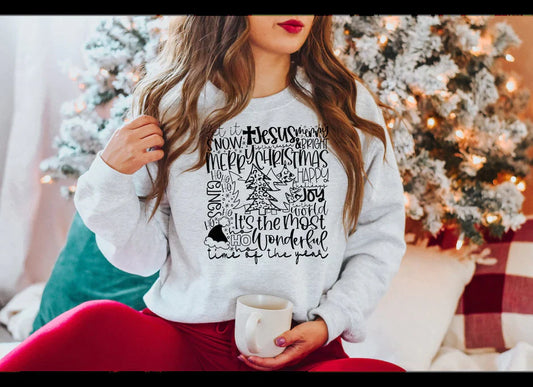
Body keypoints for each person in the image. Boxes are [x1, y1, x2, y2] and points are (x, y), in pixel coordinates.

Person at [0, 15, 406, 372]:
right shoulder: (168, 102)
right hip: (187, 339)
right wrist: (111, 174)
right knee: (91, 323)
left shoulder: (346, 103)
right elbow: (143, 258)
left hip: (304, 344)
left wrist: (329, 321)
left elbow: (379, 236)